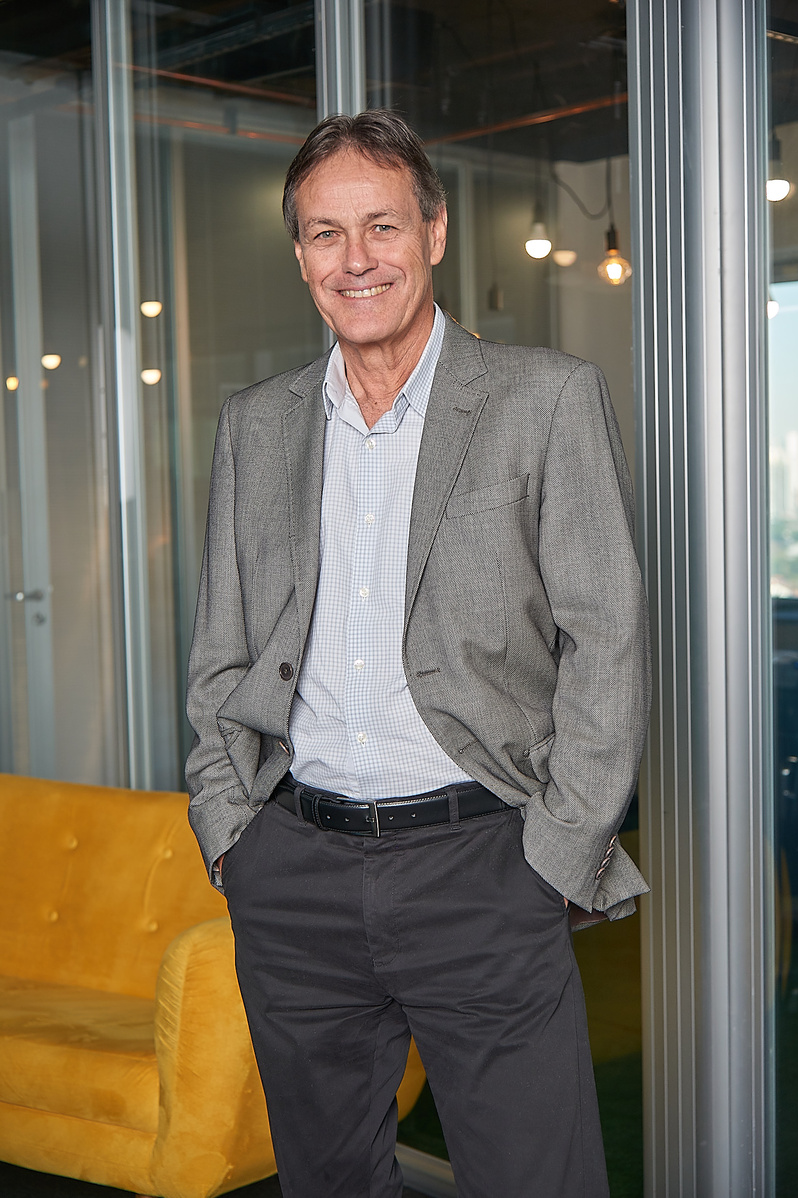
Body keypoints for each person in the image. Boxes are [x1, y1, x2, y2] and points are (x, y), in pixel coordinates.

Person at [185, 109, 651, 1198]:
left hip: (483, 865)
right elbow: (220, 650)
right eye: (325, 233)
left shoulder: (544, 398)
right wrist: (231, 831)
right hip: (293, 869)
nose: (356, 259)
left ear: (434, 232)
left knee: (537, 1180)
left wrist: (557, 849)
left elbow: (607, 635)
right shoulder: (256, 424)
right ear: (300, 254)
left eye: (382, 226)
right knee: (326, 1181)